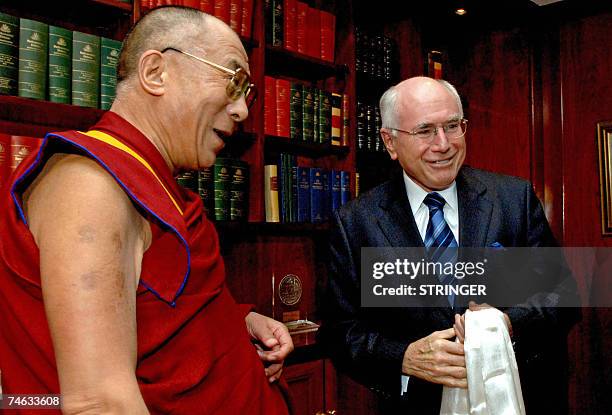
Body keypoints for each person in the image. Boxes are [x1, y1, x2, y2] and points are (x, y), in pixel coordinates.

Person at [0, 7, 292, 414]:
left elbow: (152, 304)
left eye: (248, 94)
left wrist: (238, 321)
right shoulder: (90, 185)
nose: (243, 110)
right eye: (234, 82)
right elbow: (98, 401)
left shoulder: (154, 180)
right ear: (156, 73)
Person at [317, 76, 580, 414]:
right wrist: (404, 358)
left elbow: (564, 295)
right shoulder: (356, 223)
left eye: (452, 126)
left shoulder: (512, 200)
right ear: (390, 142)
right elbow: (340, 333)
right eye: (425, 130)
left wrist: (508, 323)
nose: (443, 144)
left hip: (518, 399)